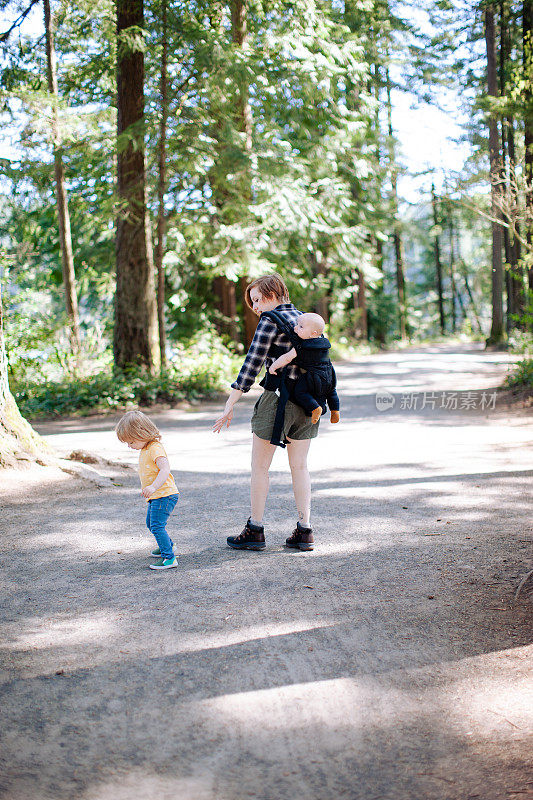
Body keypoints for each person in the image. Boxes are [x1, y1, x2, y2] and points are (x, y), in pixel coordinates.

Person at [213, 273, 323, 552]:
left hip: (276, 401)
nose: (256, 308)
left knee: (260, 468)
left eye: (258, 300)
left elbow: (251, 364)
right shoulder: (307, 321)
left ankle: (256, 529)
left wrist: (230, 402)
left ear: (273, 294)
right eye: (253, 303)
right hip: (308, 402)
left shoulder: (269, 321)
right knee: (300, 467)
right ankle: (305, 530)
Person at [115, 410, 180, 570]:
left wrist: (153, 487)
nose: (130, 446)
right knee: (151, 524)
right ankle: (168, 546)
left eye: (131, 442)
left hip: (165, 494)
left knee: (157, 525)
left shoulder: (155, 448)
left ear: (141, 433)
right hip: (157, 495)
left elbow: (165, 469)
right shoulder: (146, 448)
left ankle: (169, 558)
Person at [268, 311, 340, 425]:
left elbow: (287, 358)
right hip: (329, 374)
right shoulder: (324, 344)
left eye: (300, 327)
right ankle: (335, 410)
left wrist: (273, 366)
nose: (295, 328)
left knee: (300, 392)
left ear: (313, 333)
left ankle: (315, 408)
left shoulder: (302, 346)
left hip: (312, 377)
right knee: (331, 391)